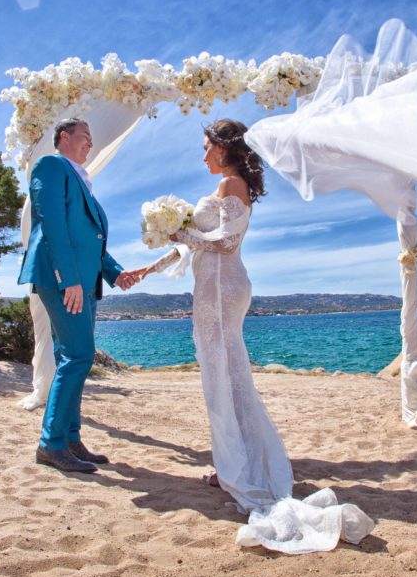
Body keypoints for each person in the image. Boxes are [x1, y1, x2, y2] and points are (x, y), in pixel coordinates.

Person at [136, 119, 373, 553]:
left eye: (207, 146)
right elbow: (192, 246)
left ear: (225, 149)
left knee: (224, 379)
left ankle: (241, 472)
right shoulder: (225, 186)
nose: (203, 154)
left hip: (222, 290)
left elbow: (225, 242)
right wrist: (147, 268)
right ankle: (233, 465)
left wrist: (180, 230)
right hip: (214, 288)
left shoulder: (233, 185)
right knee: (223, 378)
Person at [18, 118, 141, 474]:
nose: (90, 143)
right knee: (79, 355)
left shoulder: (83, 183)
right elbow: (51, 222)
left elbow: (91, 241)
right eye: (85, 137)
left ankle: (70, 439)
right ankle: (51, 443)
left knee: (71, 356)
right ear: (63, 137)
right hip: (64, 282)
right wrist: (67, 278)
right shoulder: (51, 166)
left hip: (85, 283)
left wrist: (117, 273)